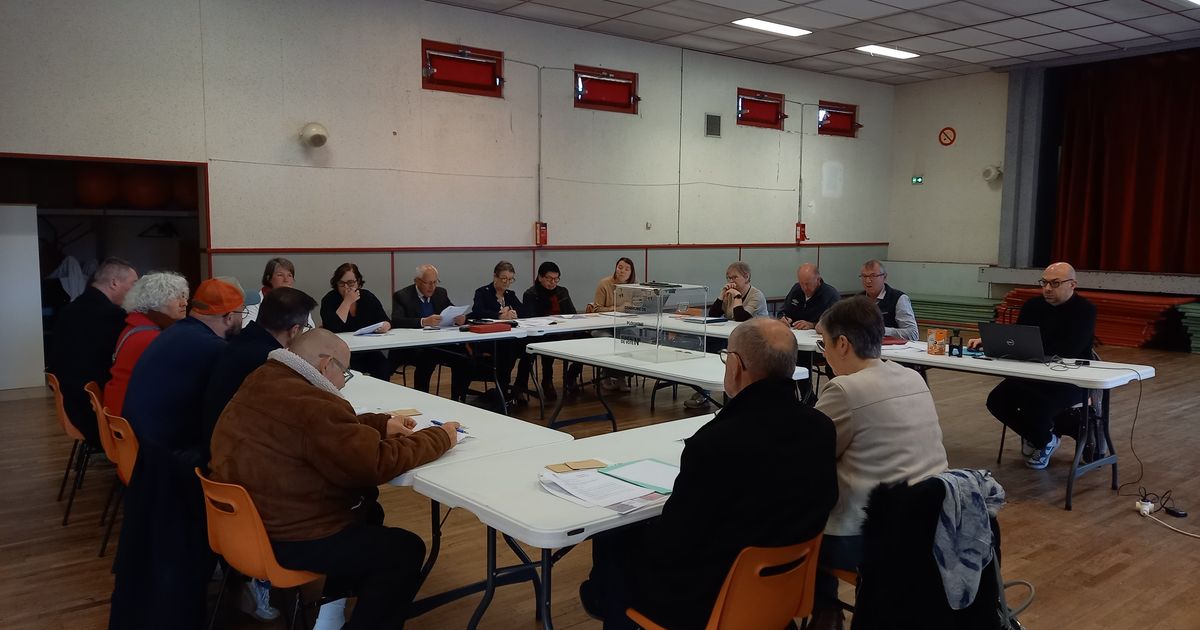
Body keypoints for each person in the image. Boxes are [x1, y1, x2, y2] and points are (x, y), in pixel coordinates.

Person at [579, 318, 838, 629]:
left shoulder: (715, 444)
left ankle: (604, 598)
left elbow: (673, 544)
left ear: (736, 366)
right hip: (782, 591)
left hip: (707, 601)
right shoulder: (822, 429)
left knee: (614, 538)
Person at [209, 329, 461, 630]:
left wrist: (381, 424)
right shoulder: (314, 403)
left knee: (369, 513)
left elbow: (317, 431)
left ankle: (329, 614)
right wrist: (439, 437)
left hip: (245, 526)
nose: (343, 382)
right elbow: (374, 463)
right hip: (289, 535)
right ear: (326, 364)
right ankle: (340, 615)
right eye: (345, 372)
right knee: (403, 550)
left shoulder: (263, 379)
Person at [110, 277, 246, 630]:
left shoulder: (171, 335)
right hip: (175, 469)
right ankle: (249, 575)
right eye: (241, 315)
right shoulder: (213, 350)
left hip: (150, 462)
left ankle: (240, 578)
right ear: (229, 317)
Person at [810, 296, 948, 630]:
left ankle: (825, 611)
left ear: (843, 344)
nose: (823, 353)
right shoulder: (912, 377)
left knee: (795, 526)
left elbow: (807, 455)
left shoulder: (844, 389)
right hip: (931, 528)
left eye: (824, 343)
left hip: (868, 537)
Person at [968, 262, 1097, 469]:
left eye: (1055, 283)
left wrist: (1033, 350)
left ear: (1072, 284)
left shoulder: (1085, 310)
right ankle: (1044, 439)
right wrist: (991, 342)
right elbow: (1017, 338)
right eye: (1044, 283)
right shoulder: (1033, 306)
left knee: (1036, 404)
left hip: (1069, 379)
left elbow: (1069, 350)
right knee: (996, 400)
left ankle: (1042, 437)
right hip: (1032, 373)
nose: (1047, 288)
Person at [47, 257, 137, 446]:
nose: (135, 291)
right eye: (133, 284)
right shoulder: (111, 315)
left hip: (72, 401)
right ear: (114, 283)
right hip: (92, 411)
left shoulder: (69, 310)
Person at [104, 271, 190, 417]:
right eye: (176, 297)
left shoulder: (135, 325)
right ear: (156, 301)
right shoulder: (153, 338)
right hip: (130, 416)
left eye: (184, 296)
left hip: (118, 407)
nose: (185, 303)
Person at [686, 261, 768, 408]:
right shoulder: (730, 294)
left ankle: (736, 395)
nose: (731, 281)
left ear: (746, 277)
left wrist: (737, 298)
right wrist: (721, 295)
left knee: (733, 355)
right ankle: (704, 392)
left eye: (734, 277)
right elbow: (713, 314)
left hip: (755, 339)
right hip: (733, 336)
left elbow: (741, 318)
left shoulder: (757, 295)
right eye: (728, 278)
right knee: (709, 345)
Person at [390, 264, 469, 400]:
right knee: (427, 358)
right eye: (428, 283)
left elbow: (451, 310)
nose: (432, 287)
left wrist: (460, 318)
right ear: (417, 281)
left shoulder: (440, 293)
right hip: (414, 346)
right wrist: (423, 322)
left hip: (438, 343)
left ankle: (457, 399)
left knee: (462, 356)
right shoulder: (402, 296)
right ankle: (422, 398)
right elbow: (397, 320)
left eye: (435, 282)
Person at [521, 261, 583, 400]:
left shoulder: (562, 291)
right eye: (549, 279)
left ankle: (571, 375)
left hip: (563, 330)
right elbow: (530, 318)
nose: (553, 282)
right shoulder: (531, 294)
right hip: (543, 333)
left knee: (586, 339)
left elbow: (572, 313)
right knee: (548, 342)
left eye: (556, 279)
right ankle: (547, 381)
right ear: (540, 277)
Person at [320, 263, 392, 380]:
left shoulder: (367, 297)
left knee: (383, 367)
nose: (346, 287)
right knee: (352, 373)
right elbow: (334, 327)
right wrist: (347, 302)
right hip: (340, 351)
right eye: (341, 283)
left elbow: (385, 319)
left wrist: (385, 325)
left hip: (367, 349)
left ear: (358, 282)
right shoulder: (329, 300)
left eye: (350, 283)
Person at [471, 261, 530, 401]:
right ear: (495, 276)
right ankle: (502, 388)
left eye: (510, 279)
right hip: (489, 338)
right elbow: (477, 312)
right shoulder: (482, 292)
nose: (507, 282)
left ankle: (519, 387)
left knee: (529, 348)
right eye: (504, 279)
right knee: (508, 348)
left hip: (509, 337)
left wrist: (514, 313)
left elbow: (525, 311)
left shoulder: (510, 294)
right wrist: (499, 315)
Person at [244, 257, 315, 329]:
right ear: (268, 278)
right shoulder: (255, 301)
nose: (286, 280)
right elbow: (246, 328)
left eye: (289, 275)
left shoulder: (300, 302)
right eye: (280, 275)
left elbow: (310, 328)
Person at [858, 259, 918, 341]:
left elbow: (913, 334)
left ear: (884, 277)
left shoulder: (898, 298)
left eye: (873, 276)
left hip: (892, 347)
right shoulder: (857, 300)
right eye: (864, 276)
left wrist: (882, 331)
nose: (868, 280)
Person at [781, 263, 839, 330]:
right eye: (801, 283)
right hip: (794, 331)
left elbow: (836, 324)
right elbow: (783, 311)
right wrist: (783, 318)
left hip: (816, 334)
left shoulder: (831, 295)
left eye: (807, 284)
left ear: (818, 280)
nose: (804, 288)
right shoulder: (796, 290)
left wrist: (812, 325)